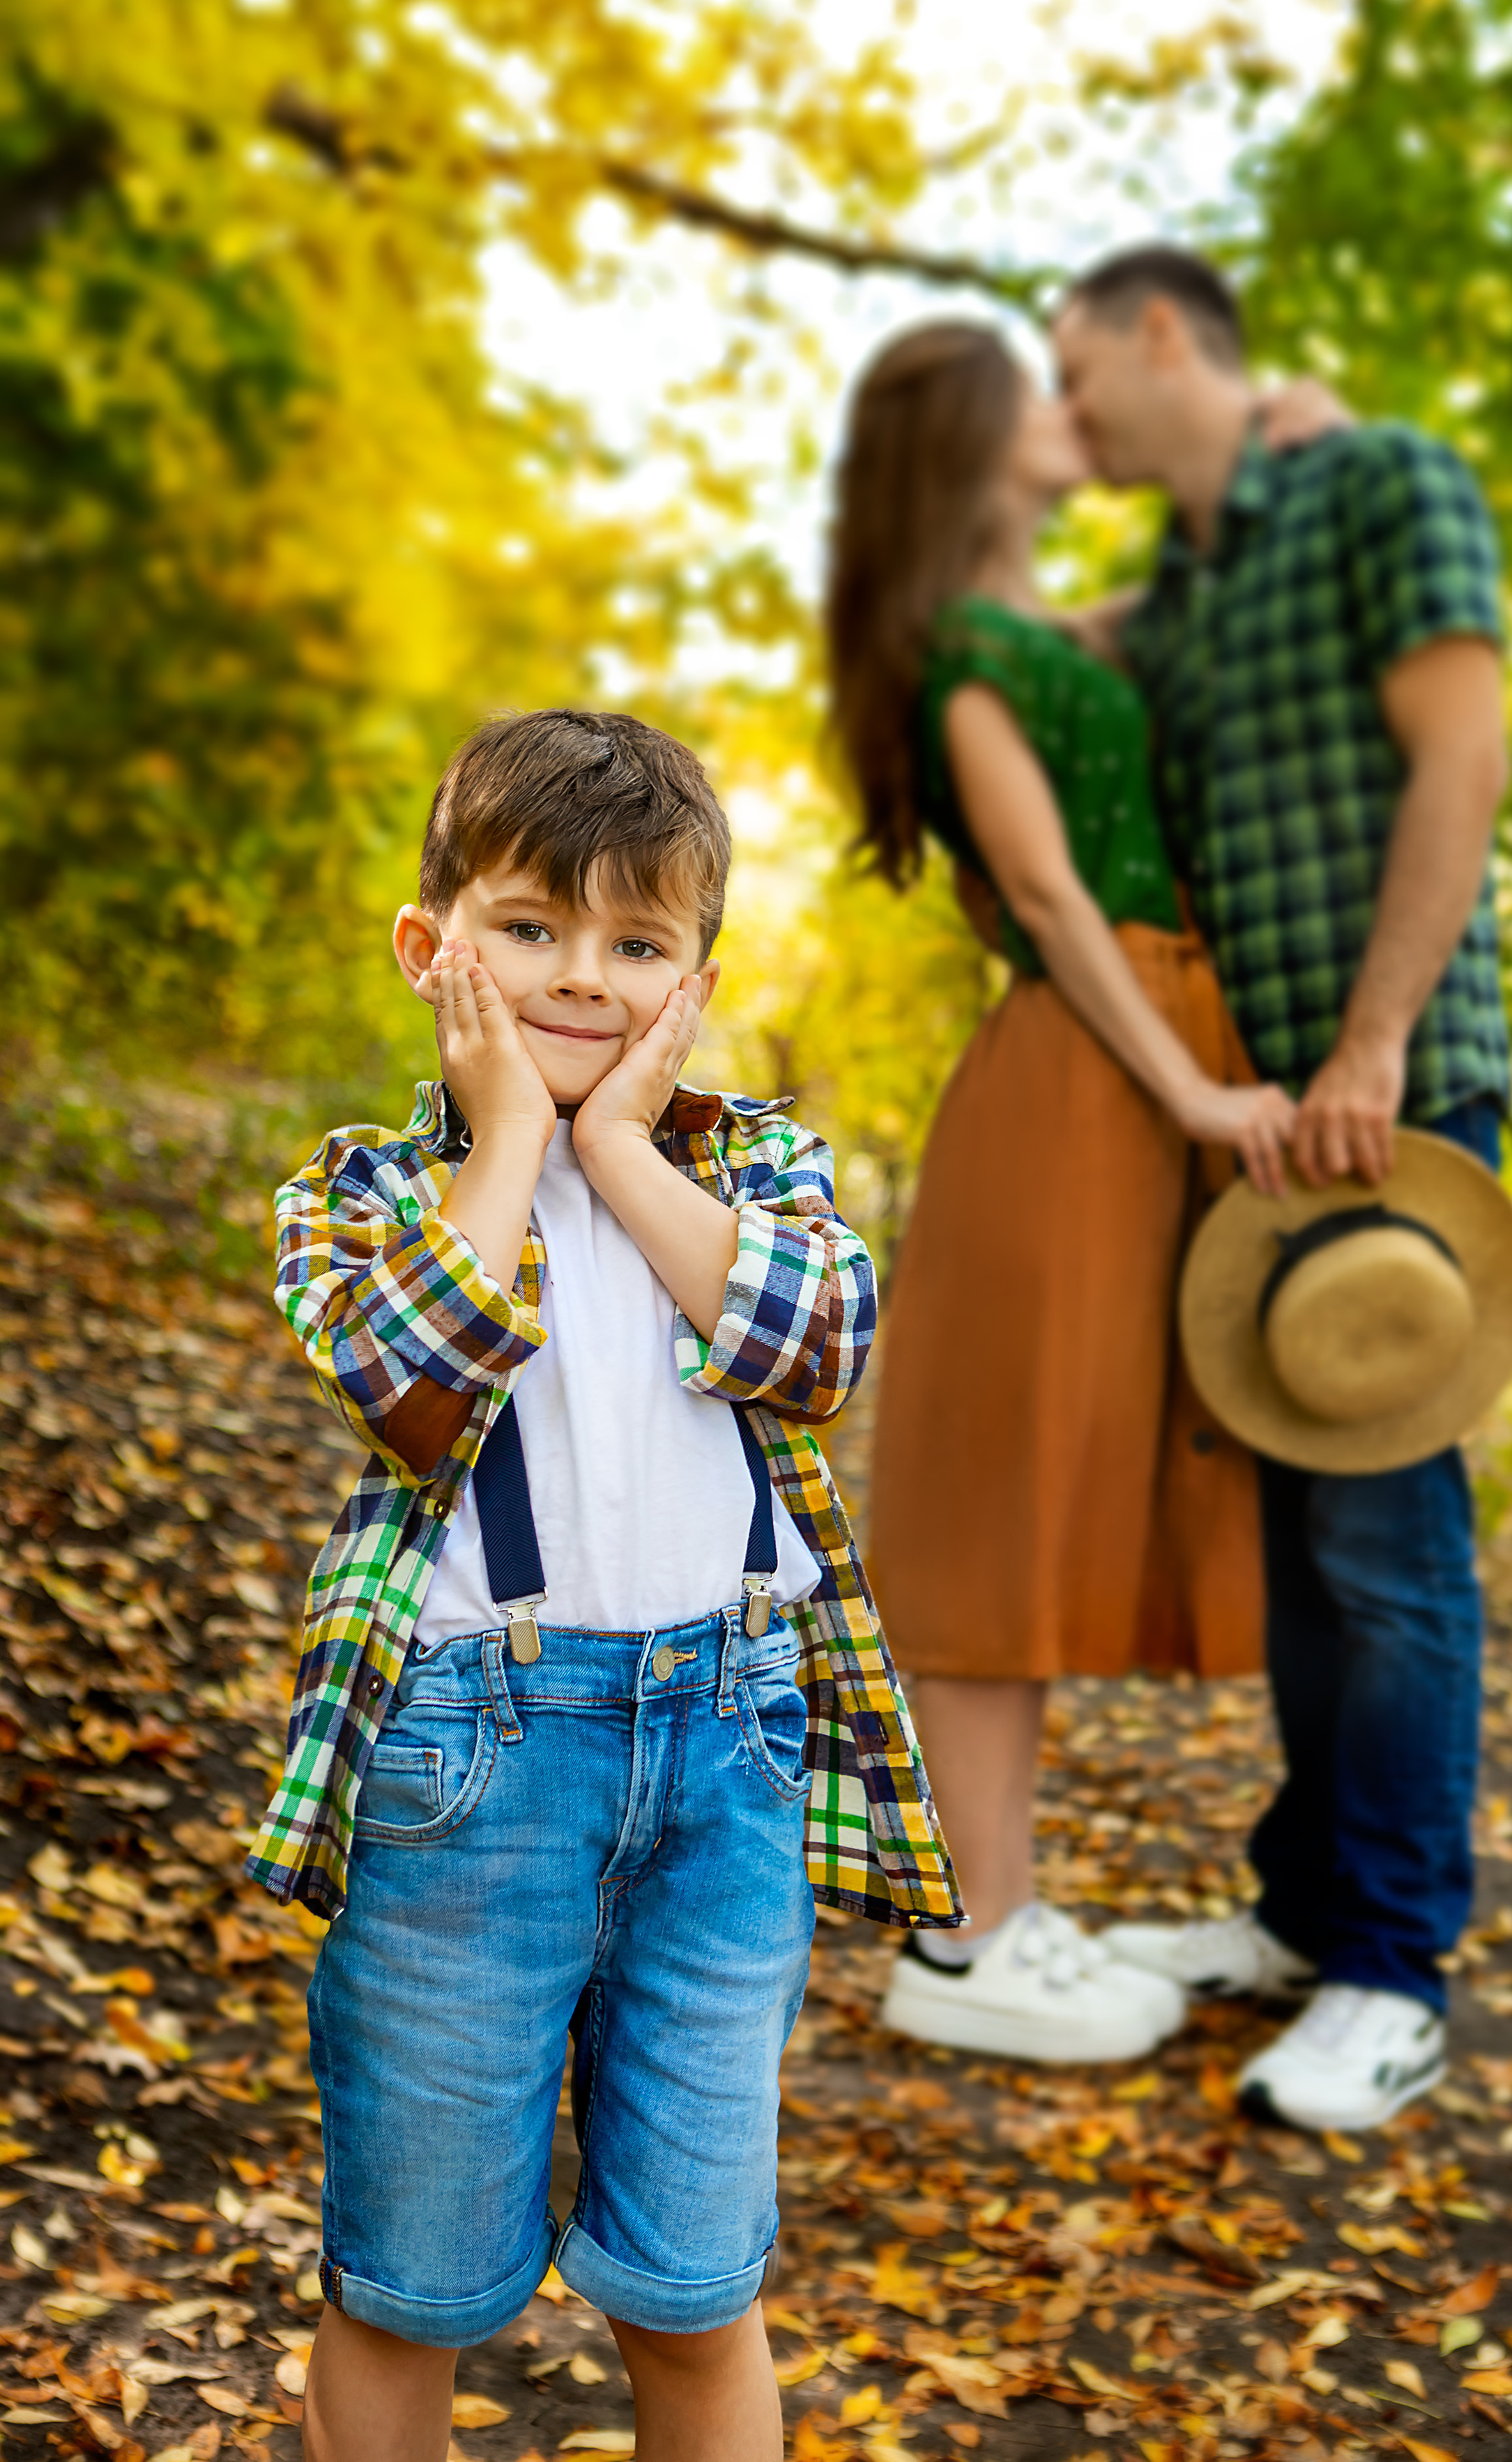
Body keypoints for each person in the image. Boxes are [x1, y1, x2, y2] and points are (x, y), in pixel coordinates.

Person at [246, 710, 958, 2462]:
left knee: (696, 2285)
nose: (581, 979)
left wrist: (625, 1154)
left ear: (695, 979)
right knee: (406, 2284)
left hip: (727, 1756)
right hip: (469, 1768)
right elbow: (412, 1390)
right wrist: (508, 1144)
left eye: (636, 945)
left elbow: (816, 1345)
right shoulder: (370, 1190)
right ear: (433, 948)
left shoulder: (764, 1175)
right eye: (529, 927)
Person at [825, 321, 1324, 2066]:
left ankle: (993, 1914)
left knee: (1063, 1485)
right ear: (969, 448)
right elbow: (1039, 895)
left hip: (1139, 1064)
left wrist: (1279, 442)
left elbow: (1190, 593)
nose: (1069, 412)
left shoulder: (1044, 633)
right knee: (998, 1498)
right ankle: (963, 1938)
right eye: (1033, 395)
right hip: (1085, 1075)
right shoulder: (960, 654)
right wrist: (1183, 1077)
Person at [1054, 245, 1511, 2134]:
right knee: (1315, 1552)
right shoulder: (1188, 586)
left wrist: (1376, 1042)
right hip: (1257, 1126)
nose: (1072, 428)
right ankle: (1309, 1915)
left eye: (1081, 384)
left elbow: (1463, 754)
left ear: (1171, 336)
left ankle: (1396, 1973)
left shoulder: (1386, 478)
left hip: (1387, 1093)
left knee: (1392, 1550)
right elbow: (1017, 649)